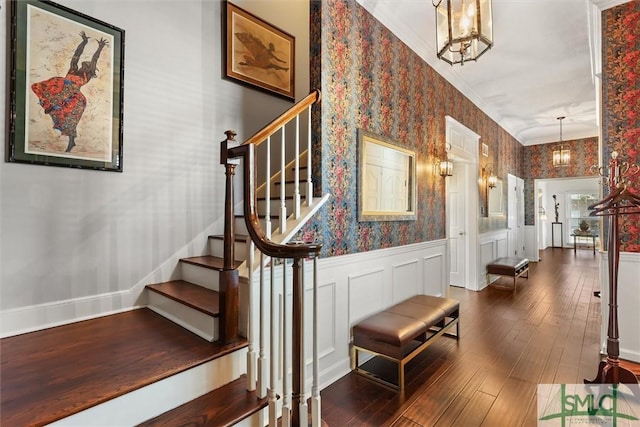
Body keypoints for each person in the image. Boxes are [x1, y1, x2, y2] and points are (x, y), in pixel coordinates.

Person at [31, 31, 108, 152]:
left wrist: (100, 47)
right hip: (62, 90)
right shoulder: (73, 69)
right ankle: (51, 105)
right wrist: (84, 42)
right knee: (60, 85)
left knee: (70, 120)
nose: (84, 66)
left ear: (89, 69)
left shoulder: (86, 76)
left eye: (86, 66)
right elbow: (76, 54)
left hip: (73, 98)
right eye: (84, 65)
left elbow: (95, 59)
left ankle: (71, 142)